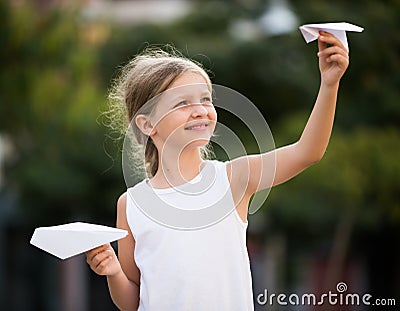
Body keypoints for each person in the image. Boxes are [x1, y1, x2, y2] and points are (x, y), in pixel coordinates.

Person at [86, 31, 349, 311]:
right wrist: (113, 272)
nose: (200, 110)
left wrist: (329, 84)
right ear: (147, 124)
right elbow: (132, 302)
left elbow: (307, 151)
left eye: (206, 99)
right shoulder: (131, 205)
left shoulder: (233, 179)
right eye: (182, 103)